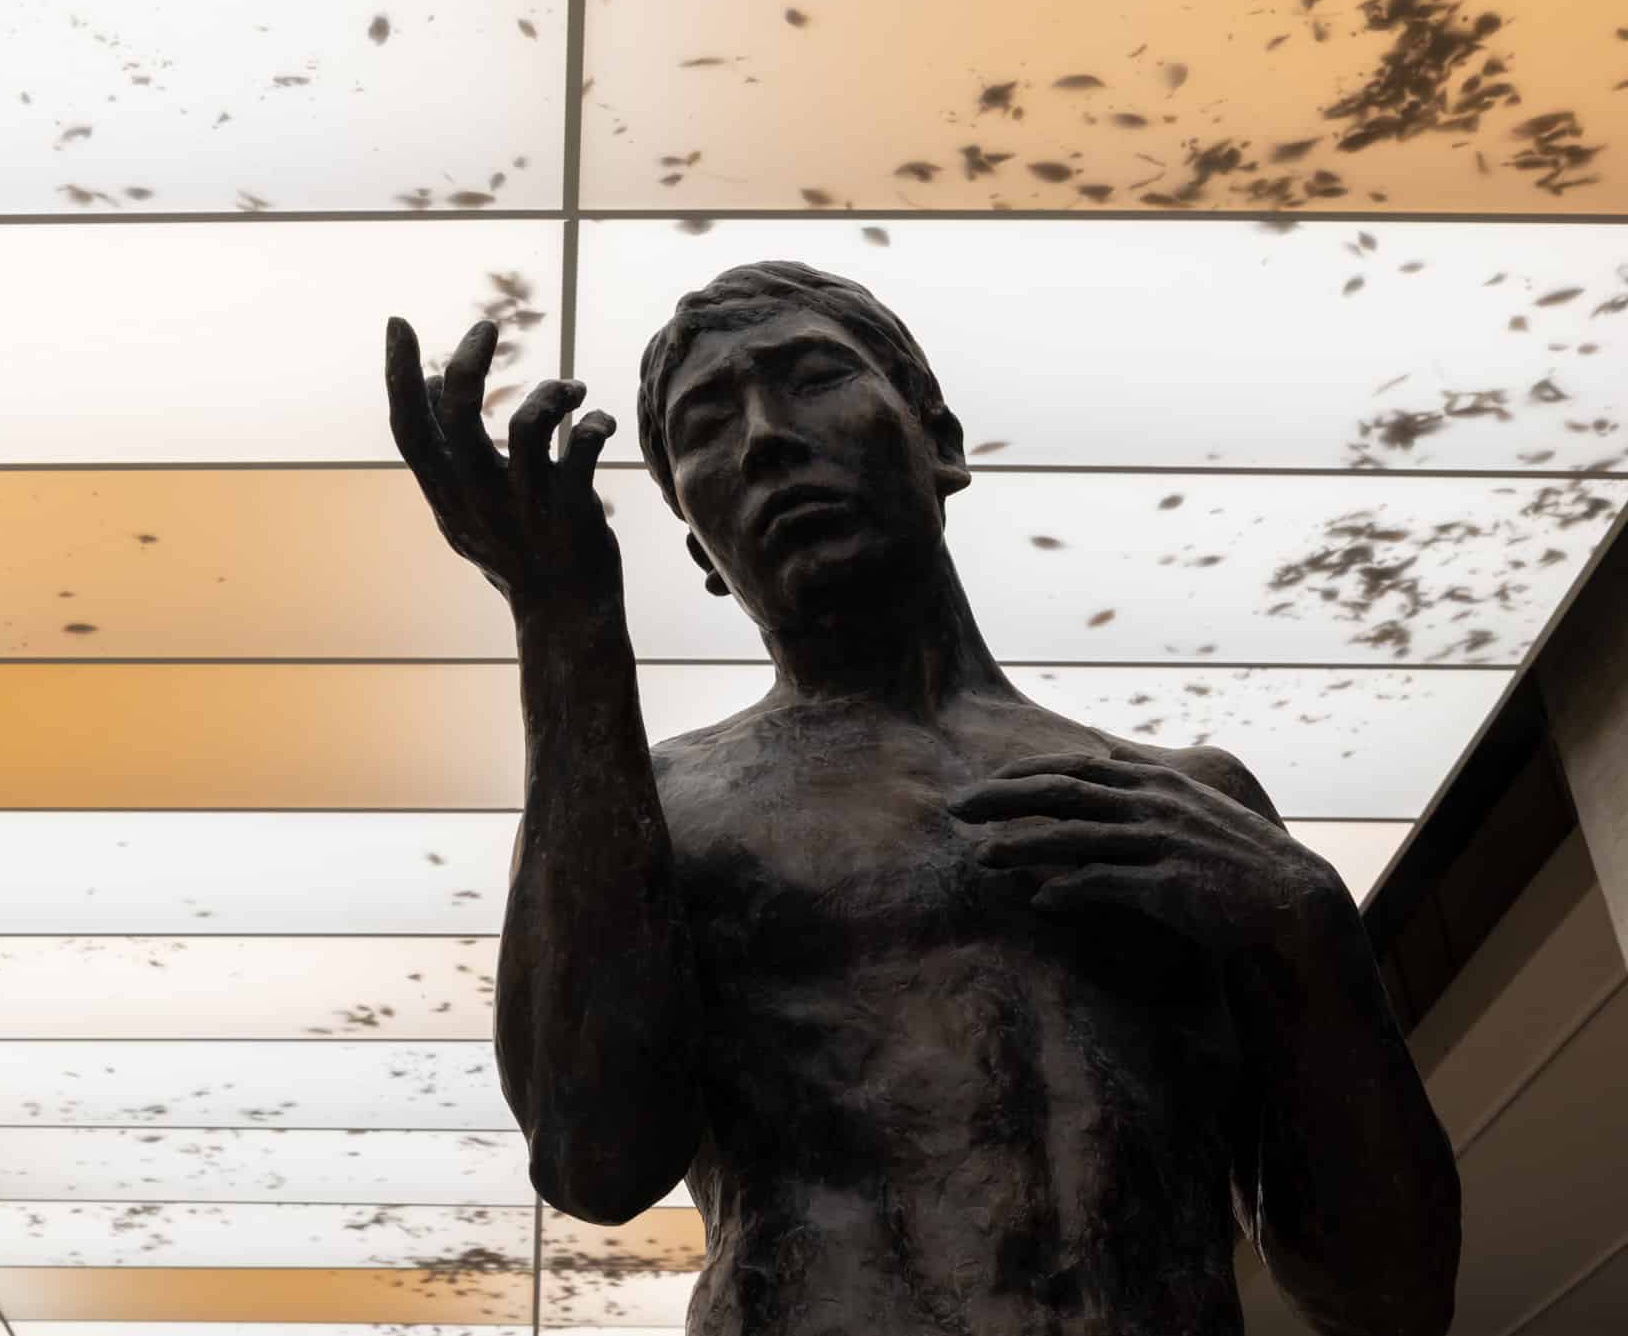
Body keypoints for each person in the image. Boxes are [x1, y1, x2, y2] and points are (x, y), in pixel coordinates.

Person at [384, 260, 1460, 1335]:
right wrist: (566, 626)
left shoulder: (1190, 805)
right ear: (700, 550)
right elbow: (592, 1159)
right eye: (708, 420)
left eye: (812, 376)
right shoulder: (660, 807)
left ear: (937, 440)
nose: (764, 434)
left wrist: (1312, 926)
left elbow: (1388, 1296)